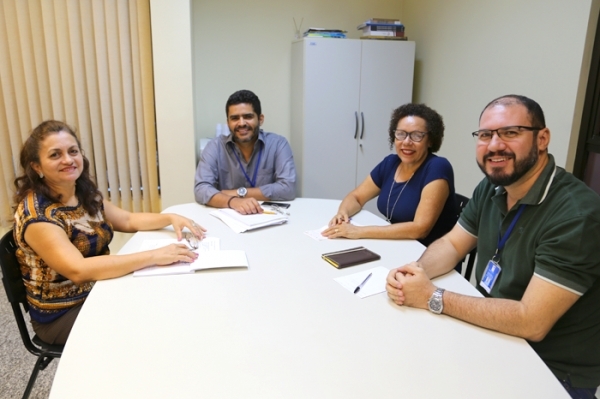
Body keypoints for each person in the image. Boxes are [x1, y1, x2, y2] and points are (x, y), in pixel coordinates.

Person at [386, 95, 600, 398]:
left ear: (542, 138)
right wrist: (416, 271)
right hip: (494, 334)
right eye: (485, 135)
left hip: (552, 369)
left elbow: (532, 321)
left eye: (510, 133)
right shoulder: (492, 186)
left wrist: (433, 296)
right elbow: (451, 243)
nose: (495, 145)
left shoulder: (577, 214)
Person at [13, 120, 206, 345]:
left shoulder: (82, 192)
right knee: (152, 322)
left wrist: (170, 217)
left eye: (72, 151)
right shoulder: (37, 215)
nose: (68, 160)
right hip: (63, 314)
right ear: (37, 166)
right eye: (55, 155)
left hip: (99, 289)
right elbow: (79, 270)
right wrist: (154, 256)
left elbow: (127, 219)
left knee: (164, 295)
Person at [322, 103, 457, 247]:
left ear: (430, 140)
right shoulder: (390, 163)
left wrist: (358, 232)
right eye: (401, 134)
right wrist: (343, 213)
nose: (406, 142)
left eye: (417, 136)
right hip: (397, 244)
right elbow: (357, 197)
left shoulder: (437, 167)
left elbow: (419, 229)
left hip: (427, 254)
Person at [194, 89, 296, 215]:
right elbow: (201, 189)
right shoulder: (215, 147)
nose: (241, 123)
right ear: (228, 122)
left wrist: (238, 193)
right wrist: (234, 201)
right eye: (235, 118)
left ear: (260, 119)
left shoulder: (278, 144)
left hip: (267, 215)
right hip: (229, 216)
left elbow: (288, 188)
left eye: (248, 117)